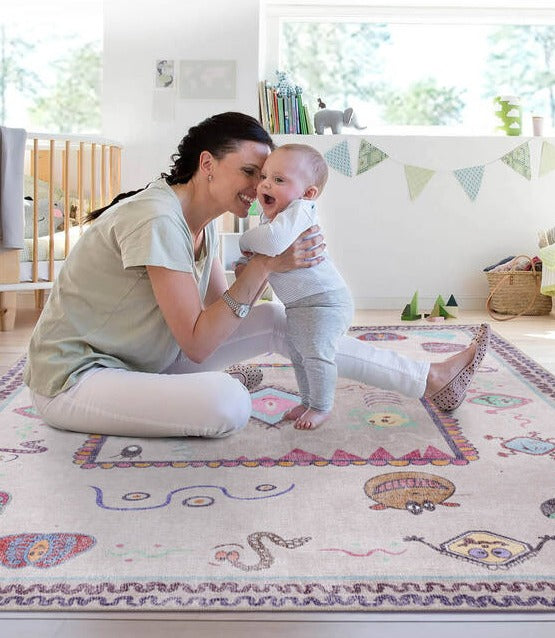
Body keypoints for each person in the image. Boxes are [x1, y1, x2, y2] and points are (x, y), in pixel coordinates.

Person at [23, 111, 490, 439]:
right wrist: (267, 264)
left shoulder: (201, 224)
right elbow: (200, 342)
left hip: (146, 361)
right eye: (250, 171)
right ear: (207, 164)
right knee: (228, 404)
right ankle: (191, 390)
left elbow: (226, 314)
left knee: (278, 321)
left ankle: (429, 379)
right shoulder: (158, 219)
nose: (261, 185)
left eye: (267, 174)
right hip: (80, 378)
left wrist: (274, 265)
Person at [239, 144, 353, 430]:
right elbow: (267, 251)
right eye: (265, 176)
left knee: (316, 353)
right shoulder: (274, 218)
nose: (265, 184)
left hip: (324, 301)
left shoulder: (301, 210)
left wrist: (245, 242)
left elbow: (274, 242)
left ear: (308, 193)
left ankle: (322, 406)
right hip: (300, 305)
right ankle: (307, 400)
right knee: (299, 355)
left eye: (279, 180)